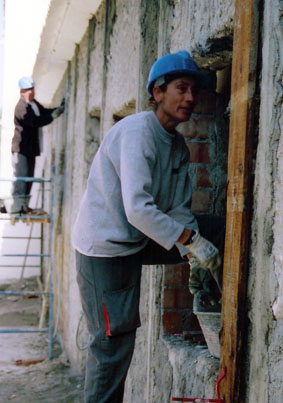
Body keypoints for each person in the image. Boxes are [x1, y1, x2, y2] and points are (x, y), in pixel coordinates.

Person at [72, 50, 225, 403]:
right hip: (105, 250)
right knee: (112, 344)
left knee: (215, 230)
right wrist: (190, 240)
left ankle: (215, 309)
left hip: (138, 240)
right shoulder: (138, 132)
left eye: (194, 91)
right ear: (158, 92)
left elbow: (177, 210)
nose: (190, 98)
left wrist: (195, 252)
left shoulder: (177, 146)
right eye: (181, 88)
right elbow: (138, 210)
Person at [10, 76, 65, 213]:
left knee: (29, 178)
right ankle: (18, 208)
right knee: (21, 178)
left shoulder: (33, 104)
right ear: (22, 92)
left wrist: (57, 109)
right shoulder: (21, 107)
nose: (31, 92)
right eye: (28, 90)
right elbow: (35, 121)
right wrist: (52, 117)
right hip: (21, 149)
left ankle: (25, 206)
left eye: (32, 89)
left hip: (31, 149)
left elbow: (43, 112)